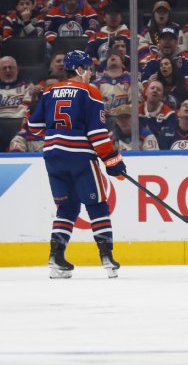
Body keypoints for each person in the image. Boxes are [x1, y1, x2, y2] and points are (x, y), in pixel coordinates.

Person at [27, 50, 127, 279]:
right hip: (79, 157)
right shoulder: (90, 92)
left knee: (67, 208)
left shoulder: (50, 91)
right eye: (89, 69)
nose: (91, 74)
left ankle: (56, 258)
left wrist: (57, 131)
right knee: (97, 205)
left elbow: (33, 127)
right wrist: (113, 161)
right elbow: (97, 133)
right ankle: (107, 258)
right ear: (80, 69)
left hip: (52, 156)